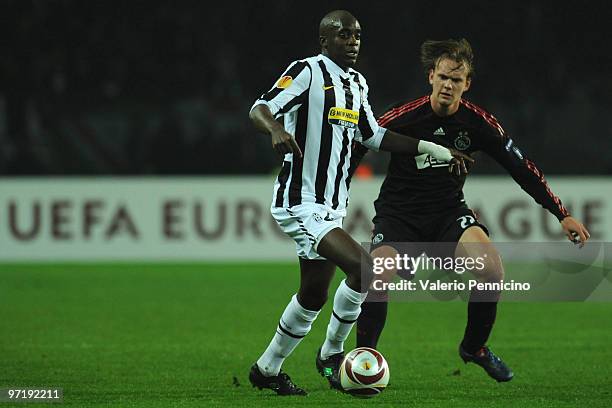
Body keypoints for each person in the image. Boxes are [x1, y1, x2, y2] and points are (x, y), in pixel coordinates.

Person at [247, 12, 472, 396]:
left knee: (313, 295)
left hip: (331, 206)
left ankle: (267, 369)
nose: (353, 41)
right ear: (324, 40)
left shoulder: (356, 84)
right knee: (365, 269)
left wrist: (433, 147)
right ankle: (332, 355)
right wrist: (277, 129)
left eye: (357, 35)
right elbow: (259, 108)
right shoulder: (307, 71)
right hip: (300, 201)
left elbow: (374, 136)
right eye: (343, 34)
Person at [354, 38, 591, 382]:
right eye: (443, 77)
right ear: (431, 76)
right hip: (398, 216)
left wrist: (561, 212)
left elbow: (521, 167)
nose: (448, 85)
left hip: (448, 213)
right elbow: (362, 139)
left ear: (467, 84)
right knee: (376, 277)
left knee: (492, 270)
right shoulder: (404, 116)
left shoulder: (479, 123)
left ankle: (474, 348)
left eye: (456, 80)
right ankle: (365, 359)